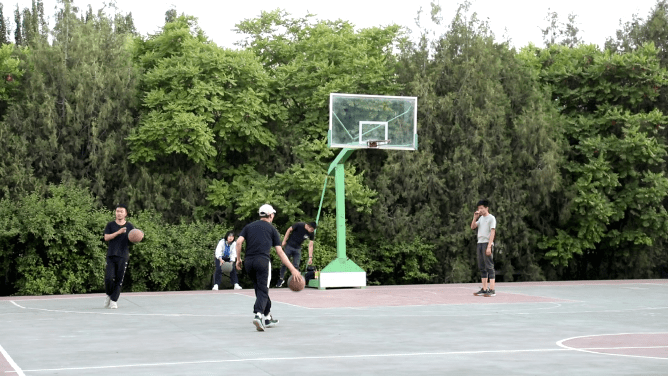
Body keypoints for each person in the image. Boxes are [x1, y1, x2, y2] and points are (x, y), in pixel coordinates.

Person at [235, 204, 304, 331]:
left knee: (260, 289)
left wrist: (238, 259)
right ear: (270, 215)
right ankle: (258, 315)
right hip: (262, 262)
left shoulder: (249, 227)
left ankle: (267, 317)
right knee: (263, 290)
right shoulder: (272, 230)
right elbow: (280, 252)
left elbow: (238, 242)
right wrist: (293, 269)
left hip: (249, 262)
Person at [103, 204, 135, 309]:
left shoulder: (130, 226)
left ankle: (113, 300)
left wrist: (138, 237)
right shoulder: (110, 225)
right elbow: (106, 237)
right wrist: (118, 232)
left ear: (126, 213)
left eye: (121, 211)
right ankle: (109, 294)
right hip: (111, 255)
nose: (119, 213)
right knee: (109, 278)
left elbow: (135, 238)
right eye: (117, 211)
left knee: (119, 279)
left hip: (123, 256)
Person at [275, 221, 316, 288]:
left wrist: (310, 257)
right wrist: (284, 241)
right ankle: (281, 279)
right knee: (284, 263)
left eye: (313, 230)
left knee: (296, 265)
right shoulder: (299, 225)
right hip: (289, 246)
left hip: (298, 249)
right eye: (311, 229)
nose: (311, 231)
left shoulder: (311, 233)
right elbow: (289, 230)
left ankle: (296, 282)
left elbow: (311, 245)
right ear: (308, 226)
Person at [470, 199, 497, 297]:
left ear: (486, 208)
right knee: (482, 267)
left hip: (486, 243)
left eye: (482, 208)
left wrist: (489, 246)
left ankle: (492, 289)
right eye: (478, 208)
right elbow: (473, 227)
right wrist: (475, 218)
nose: (480, 210)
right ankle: (484, 289)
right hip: (480, 243)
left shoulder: (491, 218)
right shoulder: (480, 218)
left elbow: (492, 232)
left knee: (489, 266)